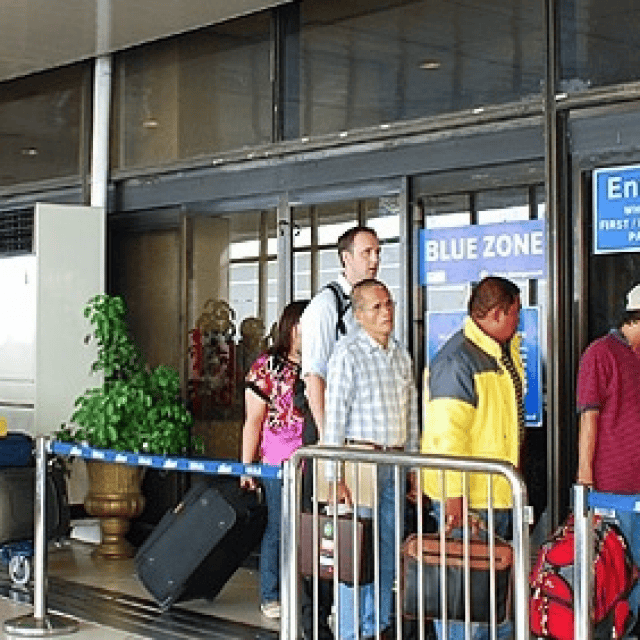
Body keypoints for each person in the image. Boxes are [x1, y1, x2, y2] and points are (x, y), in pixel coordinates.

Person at [422, 275, 524, 640]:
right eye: (515, 313)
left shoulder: (500, 351)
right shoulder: (457, 361)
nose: (519, 321)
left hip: (497, 496)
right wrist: (454, 499)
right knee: (464, 606)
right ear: (497, 314)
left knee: (492, 605)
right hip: (470, 504)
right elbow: (446, 437)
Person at [323, 278, 419, 640]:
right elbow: (335, 417)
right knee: (356, 552)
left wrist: (414, 467)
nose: (386, 312)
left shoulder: (401, 354)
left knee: (388, 549)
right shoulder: (347, 353)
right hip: (360, 461)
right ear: (359, 314)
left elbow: (411, 418)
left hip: (395, 461)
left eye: (389, 303)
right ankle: (350, 631)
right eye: (377, 307)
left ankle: (376, 626)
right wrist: (333, 476)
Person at [298, 224, 380, 639]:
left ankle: (364, 625)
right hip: (335, 437)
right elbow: (314, 378)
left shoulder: (371, 305)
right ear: (345, 259)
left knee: (365, 541)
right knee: (337, 540)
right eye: (366, 252)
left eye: (378, 252)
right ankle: (328, 624)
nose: (374, 259)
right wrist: (331, 450)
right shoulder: (325, 307)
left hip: (365, 439)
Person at [240, 299, 309, 620]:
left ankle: (306, 596)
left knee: (309, 528)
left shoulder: (319, 362)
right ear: (290, 328)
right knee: (280, 526)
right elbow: (253, 420)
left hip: (314, 460)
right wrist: (246, 466)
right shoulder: (267, 366)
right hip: (278, 461)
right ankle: (271, 593)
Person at [576, 283, 640, 632]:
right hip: (614, 489)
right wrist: (584, 478)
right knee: (617, 574)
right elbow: (589, 416)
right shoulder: (600, 353)